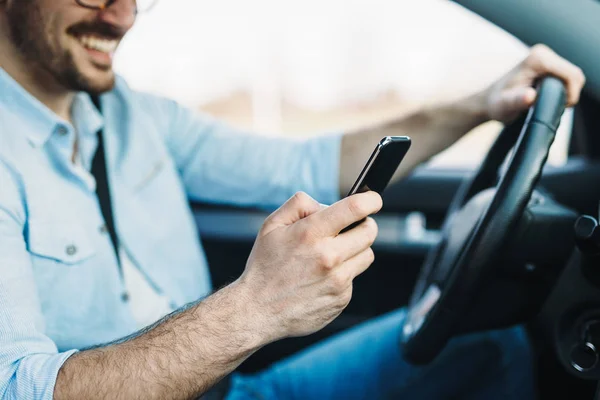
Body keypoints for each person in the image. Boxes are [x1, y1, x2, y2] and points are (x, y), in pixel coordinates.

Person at [0, 0, 586, 399]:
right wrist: (258, 305)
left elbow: (305, 167)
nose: (122, 14)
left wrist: (480, 104)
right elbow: (23, 388)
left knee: (492, 342)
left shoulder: (132, 111)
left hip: (236, 389)